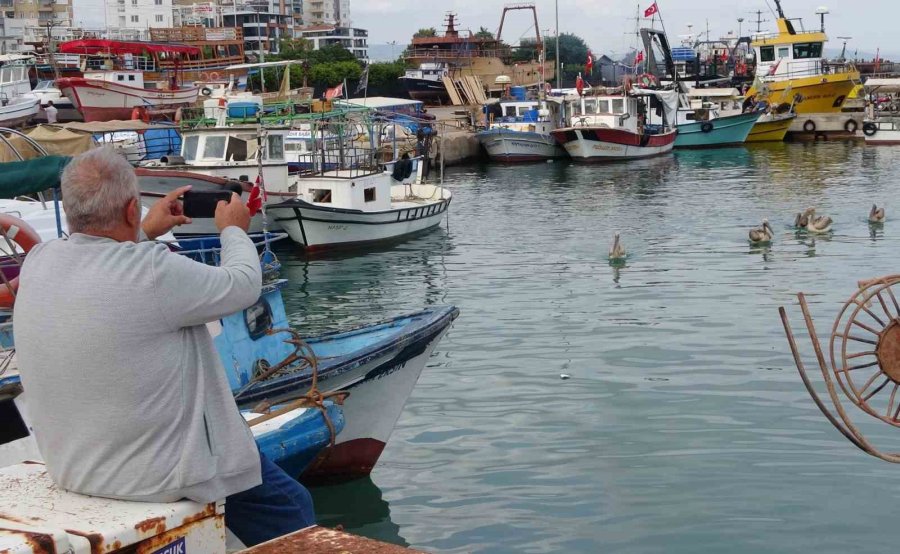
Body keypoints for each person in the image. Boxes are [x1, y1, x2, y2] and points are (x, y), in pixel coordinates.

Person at [13, 148, 315, 546]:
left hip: (76, 469)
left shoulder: (39, 260)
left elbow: (104, 262)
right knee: (292, 506)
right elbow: (243, 284)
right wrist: (233, 230)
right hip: (158, 476)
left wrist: (144, 229)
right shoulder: (155, 271)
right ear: (129, 209)